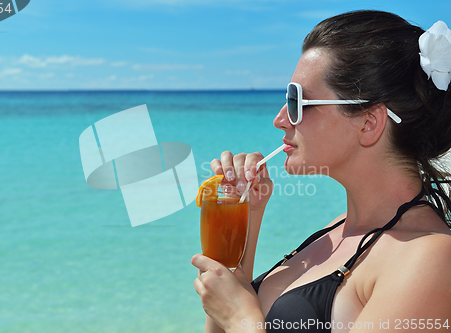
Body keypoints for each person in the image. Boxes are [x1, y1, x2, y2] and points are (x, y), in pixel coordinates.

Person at [191, 10, 451, 333]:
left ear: (369, 123)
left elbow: (241, 322)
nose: (280, 118)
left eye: (296, 100)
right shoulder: (333, 234)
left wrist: (243, 322)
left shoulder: (430, 260)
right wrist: (246, 217)